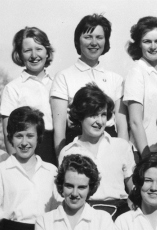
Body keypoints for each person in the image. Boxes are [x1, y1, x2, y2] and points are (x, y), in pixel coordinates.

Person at [51, 13, 127, 156]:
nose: (94, 43)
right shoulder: (64, 76)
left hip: (109, 146)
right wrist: (61, 160)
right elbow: (59, 127)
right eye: (88, 37)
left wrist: (124, 158)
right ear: (78, 41)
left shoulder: (116, 79)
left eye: (99, 37)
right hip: (76, 144)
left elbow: (122, 127)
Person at [58, 83, 135, 220]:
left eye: (103, 115)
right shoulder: (68, 152)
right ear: (80, 116)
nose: (99, 121)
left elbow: (134, 188)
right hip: (84, 214)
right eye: (93, 115)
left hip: (119, 214)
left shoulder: (121, 146)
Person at [1, 26, 57, 165]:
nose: (34, 55)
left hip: (55, 146)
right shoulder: (13, 88)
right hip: (28, 148)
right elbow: (8, 135)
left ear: (47, 52)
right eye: (27, 50)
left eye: (39, 49)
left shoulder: (57, 83)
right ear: (20, 54)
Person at [125, 16, 157, 158]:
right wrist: (146, 157)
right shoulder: (136, 72)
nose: (153, 47)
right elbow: (135, 121)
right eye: (147, 41)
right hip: (144, 151)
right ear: (139, 44)